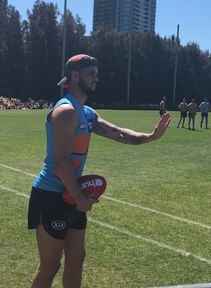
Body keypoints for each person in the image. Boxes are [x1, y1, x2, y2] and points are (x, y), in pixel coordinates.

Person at [28, 54, 170, 288]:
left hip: (73, 194)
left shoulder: (86, 112)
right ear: (74, 76)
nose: (97, 77)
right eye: (91, 73)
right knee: (51, 264)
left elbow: (119, 133)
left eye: (96, 72)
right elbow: (62, 163)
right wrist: (80, 198)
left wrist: (150, 137)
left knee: (77, 257)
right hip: (52, 195)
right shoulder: (65, 111)